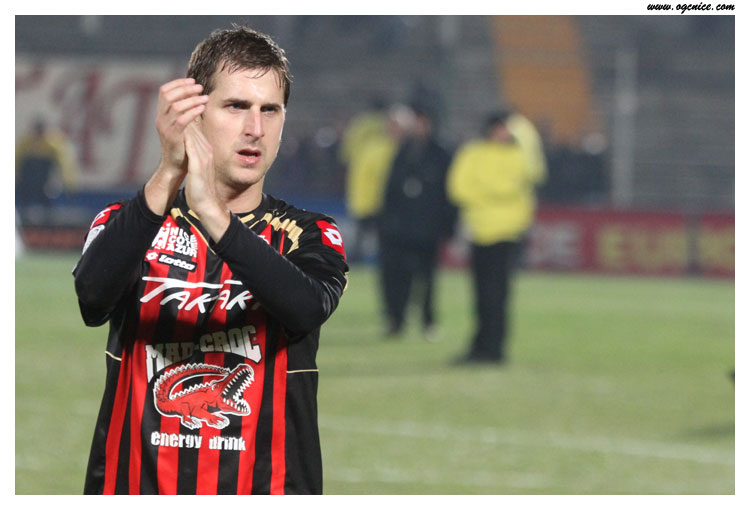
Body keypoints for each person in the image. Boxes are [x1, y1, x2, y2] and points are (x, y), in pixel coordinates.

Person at [72, 25, 349, 495]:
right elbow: (92, 300)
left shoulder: (309, 233)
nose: (255, 128)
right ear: (194, 114)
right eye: (236, 106)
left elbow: (306, 308)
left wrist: (215, 217)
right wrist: (170, 172)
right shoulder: (128, 223)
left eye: (270, 110)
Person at [446, 110, 545, 363]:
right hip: (480, 231)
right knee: (481, 294)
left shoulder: (520, 155)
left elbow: (534, 172)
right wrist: (500, 194)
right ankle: (481, 345)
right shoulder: (473, 153)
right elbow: (458, 188)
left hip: (506, 233)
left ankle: (494, 348)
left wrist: (485, 193)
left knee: (497, 295)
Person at [378, 103, 455, 339]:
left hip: (429, 227)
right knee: (400, 276)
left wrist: (448, 225)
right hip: (403, 227)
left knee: (427, 278)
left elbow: (449, 193)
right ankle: (397, 320)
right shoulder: (403, 152)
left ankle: (428, 321)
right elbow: (390, 189)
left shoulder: (441, 154)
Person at [344, 104, 409, 262]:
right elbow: (366, 179)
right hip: (374, 205)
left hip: (383, 206)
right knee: (369, 244)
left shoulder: (384, 149)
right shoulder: (378, 150)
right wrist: (364, 203)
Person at [15, 119, 78, 214]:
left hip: (44, 180)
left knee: (46, 198)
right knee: (25, 199)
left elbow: (64, 163)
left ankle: (48, 215)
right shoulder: (26, 143)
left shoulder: (53, 143)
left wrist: (69, 183)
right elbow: (16, 161)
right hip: (27, 180)